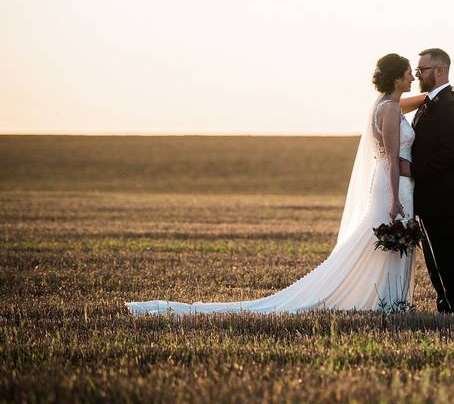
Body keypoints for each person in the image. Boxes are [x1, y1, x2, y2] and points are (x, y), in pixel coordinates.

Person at [126, 53, 431, 314]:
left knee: (383, 243)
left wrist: (437, 94)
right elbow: (392, 158)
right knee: (381, 240)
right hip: (393, 186)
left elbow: (411, 103)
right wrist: (394, 199)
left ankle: (387, 301)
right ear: (396, 79)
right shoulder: (389, 109)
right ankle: (384, 301)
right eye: (408, 74)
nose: (412, 77)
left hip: (397, 184)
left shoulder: (388, 104)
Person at [411, 48, 454, 314]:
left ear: (439, 71)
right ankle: (446, 309)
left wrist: (414, 170)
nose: (417, 75)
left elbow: (453, 152)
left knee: (450, 261)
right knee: (435, 262)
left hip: (448, 199)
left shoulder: (450, 105)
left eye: (421, 70)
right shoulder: (433, 101)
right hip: (430, 199)